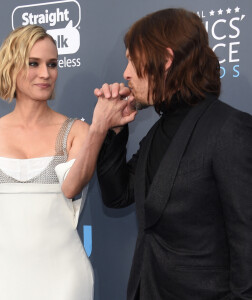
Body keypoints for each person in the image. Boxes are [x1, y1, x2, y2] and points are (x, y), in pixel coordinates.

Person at [91, 8, 252, 300]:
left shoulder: (229, 129)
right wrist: (114, 131)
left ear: (165, 60)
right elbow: (118, 196)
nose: (125, 73)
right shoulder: (158, 132)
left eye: (132, 60)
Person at [0, 25, 96, 300]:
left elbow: (71, 189)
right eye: (33, 63)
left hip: (66, 278)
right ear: (11, 66)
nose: (46, 74)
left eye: (52, 64)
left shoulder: (76, 132)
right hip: (7, 279)